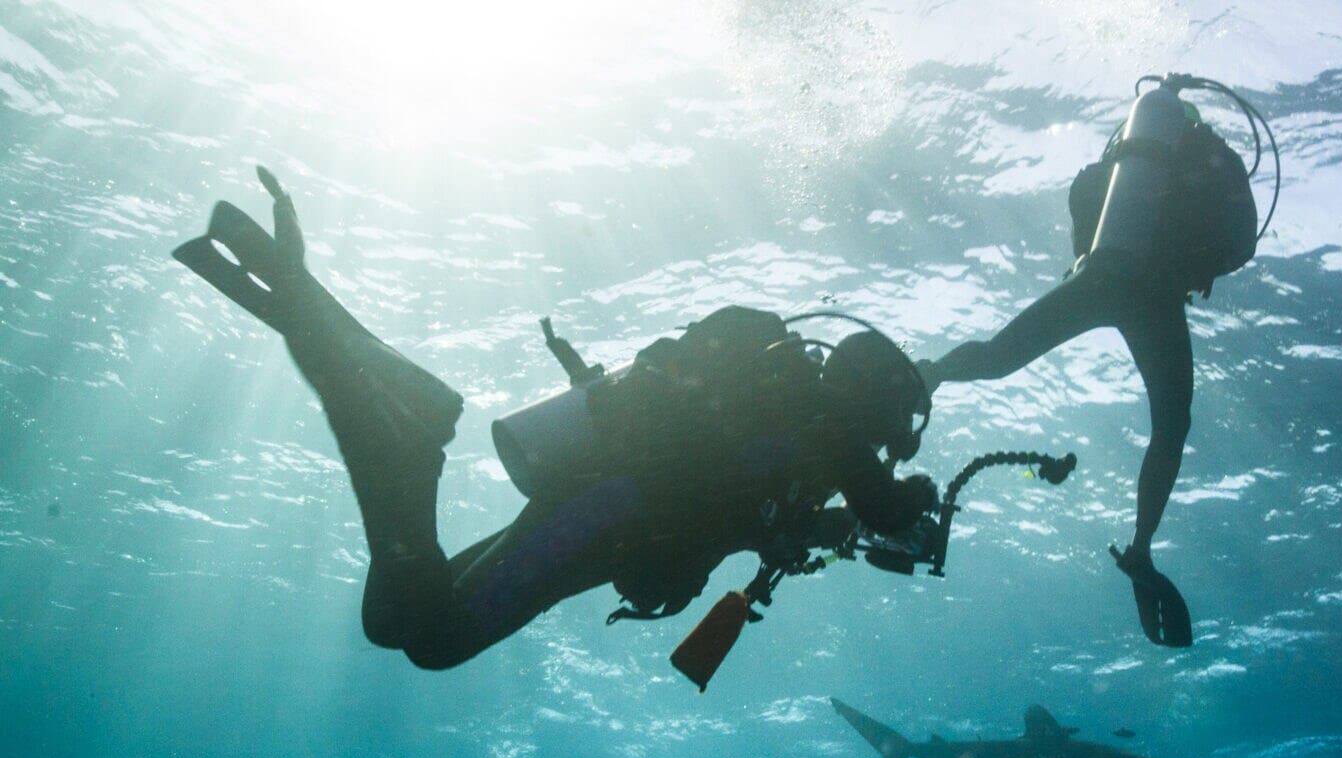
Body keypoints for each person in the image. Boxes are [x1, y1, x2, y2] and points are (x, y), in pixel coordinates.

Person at [174, 168, 938, 670]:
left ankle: (341, 348)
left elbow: (762, 517)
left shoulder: (793, 444)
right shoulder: (823, 423)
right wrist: (920, 505)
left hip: (608, 519)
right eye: (893, 425)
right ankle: (410, 439)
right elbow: (884, 504)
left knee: (397, 620)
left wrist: (844, 529)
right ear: (873, 398)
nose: (886, 446)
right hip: (604, 513)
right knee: (433, 639)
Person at [917, 90, 1264, 648]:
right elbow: (1239, 246)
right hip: (1158, 298)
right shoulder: (1214, 167)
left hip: (1101, 276)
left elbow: (1083, 203)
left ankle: (924, 374)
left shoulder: (1121, 166)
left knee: (999, 357)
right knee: (1171, 427)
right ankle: (1141, 547)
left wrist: (1089, 262)